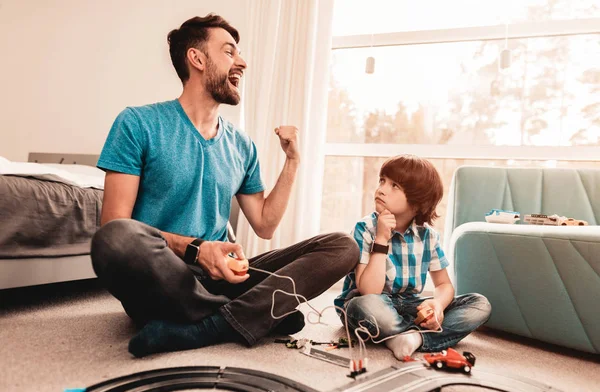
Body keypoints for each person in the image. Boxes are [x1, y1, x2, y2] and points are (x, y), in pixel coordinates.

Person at [91, 14, 359, 357]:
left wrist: (293, 163)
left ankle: (211, 324)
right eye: (230, 52)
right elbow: (115, 224)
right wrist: (198, 250)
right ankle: (255, 313)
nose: (242, 62)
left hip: (223, 280)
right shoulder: (138, 123)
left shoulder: (241, 145)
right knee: (114, 239)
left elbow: (264, 224)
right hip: (162, 276)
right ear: (197, 59)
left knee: (341, 246)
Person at [334, 155, 491, 360]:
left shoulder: (428, 237)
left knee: (479, 304)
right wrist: (381, 238)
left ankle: (411, 338)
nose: (381, 189)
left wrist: (438, 306)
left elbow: (444, 285)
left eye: (394, 186)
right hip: (374, 303)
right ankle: (413, 334)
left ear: (418, 203)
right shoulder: (365, 229)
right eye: (382, 180)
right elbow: (368, 290)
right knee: (364, 306)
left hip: (410, 306)